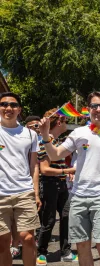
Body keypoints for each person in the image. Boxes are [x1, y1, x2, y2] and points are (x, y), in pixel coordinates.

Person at [39, 91, 100, 266]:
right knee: (82, 246)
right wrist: (46, 135)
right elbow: (55, 155)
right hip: (78, 196)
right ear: (88, 109)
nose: (98, 109)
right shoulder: (78, 132)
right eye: (94, 106)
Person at [0, 92, 41, 266]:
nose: (8, 108)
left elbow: (34, 166)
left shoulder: (30, 135)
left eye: (13, 105)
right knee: (2, 243)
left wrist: (36, 193)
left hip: (24, 192)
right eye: (4, 104)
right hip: (1, 195)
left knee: (28, 238)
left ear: (19, 110)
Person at [36, 108, 78, 265]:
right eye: (65, 120)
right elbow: (44, 169)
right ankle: (41, 252)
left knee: (66, 217)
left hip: (61, 184)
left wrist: (65, 173)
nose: (66, 123)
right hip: (49, 185)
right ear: (59, 122)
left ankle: (66, 251)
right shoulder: (45, 142)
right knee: (49, 220)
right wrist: (68, 170)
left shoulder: (57, 142)